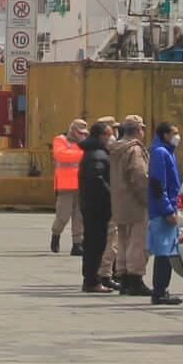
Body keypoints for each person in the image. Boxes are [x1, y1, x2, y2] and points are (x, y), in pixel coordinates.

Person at [110, 113, 150, 293]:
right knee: (137, 242)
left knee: (123, 240)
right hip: (135, 201)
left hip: (119, 201)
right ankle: (135, 278)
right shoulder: (134, 150)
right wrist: (147, 198)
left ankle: (123, 276)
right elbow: (140, 176)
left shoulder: (115, 148)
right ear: (138, 130)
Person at [147, 121, 183, 305]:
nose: (177, 136)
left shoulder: (168, 152)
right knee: (164, 253)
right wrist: (167, 210)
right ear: (165, 135)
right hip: (163, 210)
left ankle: (161, 290)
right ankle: (159, 292)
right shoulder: (160, 153)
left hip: (169, 206)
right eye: (174, 133)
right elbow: (157, 184)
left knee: (167, 251)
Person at [77, 121, 115, 293]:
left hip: (90, 204)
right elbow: (97, 179)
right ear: (101, 136)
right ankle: (92, 281)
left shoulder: (93, 152)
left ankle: (91, 279)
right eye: (108, 134)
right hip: (97, 206)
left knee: (93, 243)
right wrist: (111, 195)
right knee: (96, 244)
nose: (111, 138)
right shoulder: (98, 155)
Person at [50, 119, 87, 255]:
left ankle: (77, 244)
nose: (82, 135)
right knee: (63, 215)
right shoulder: (60, 140)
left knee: (79, 216)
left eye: (84, 133)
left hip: (82, 184)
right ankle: (56, 234)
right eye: (79, 132)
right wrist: (83, 153)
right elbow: (62, 156)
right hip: (65, 185)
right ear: (72, 130)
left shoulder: (85, 142)